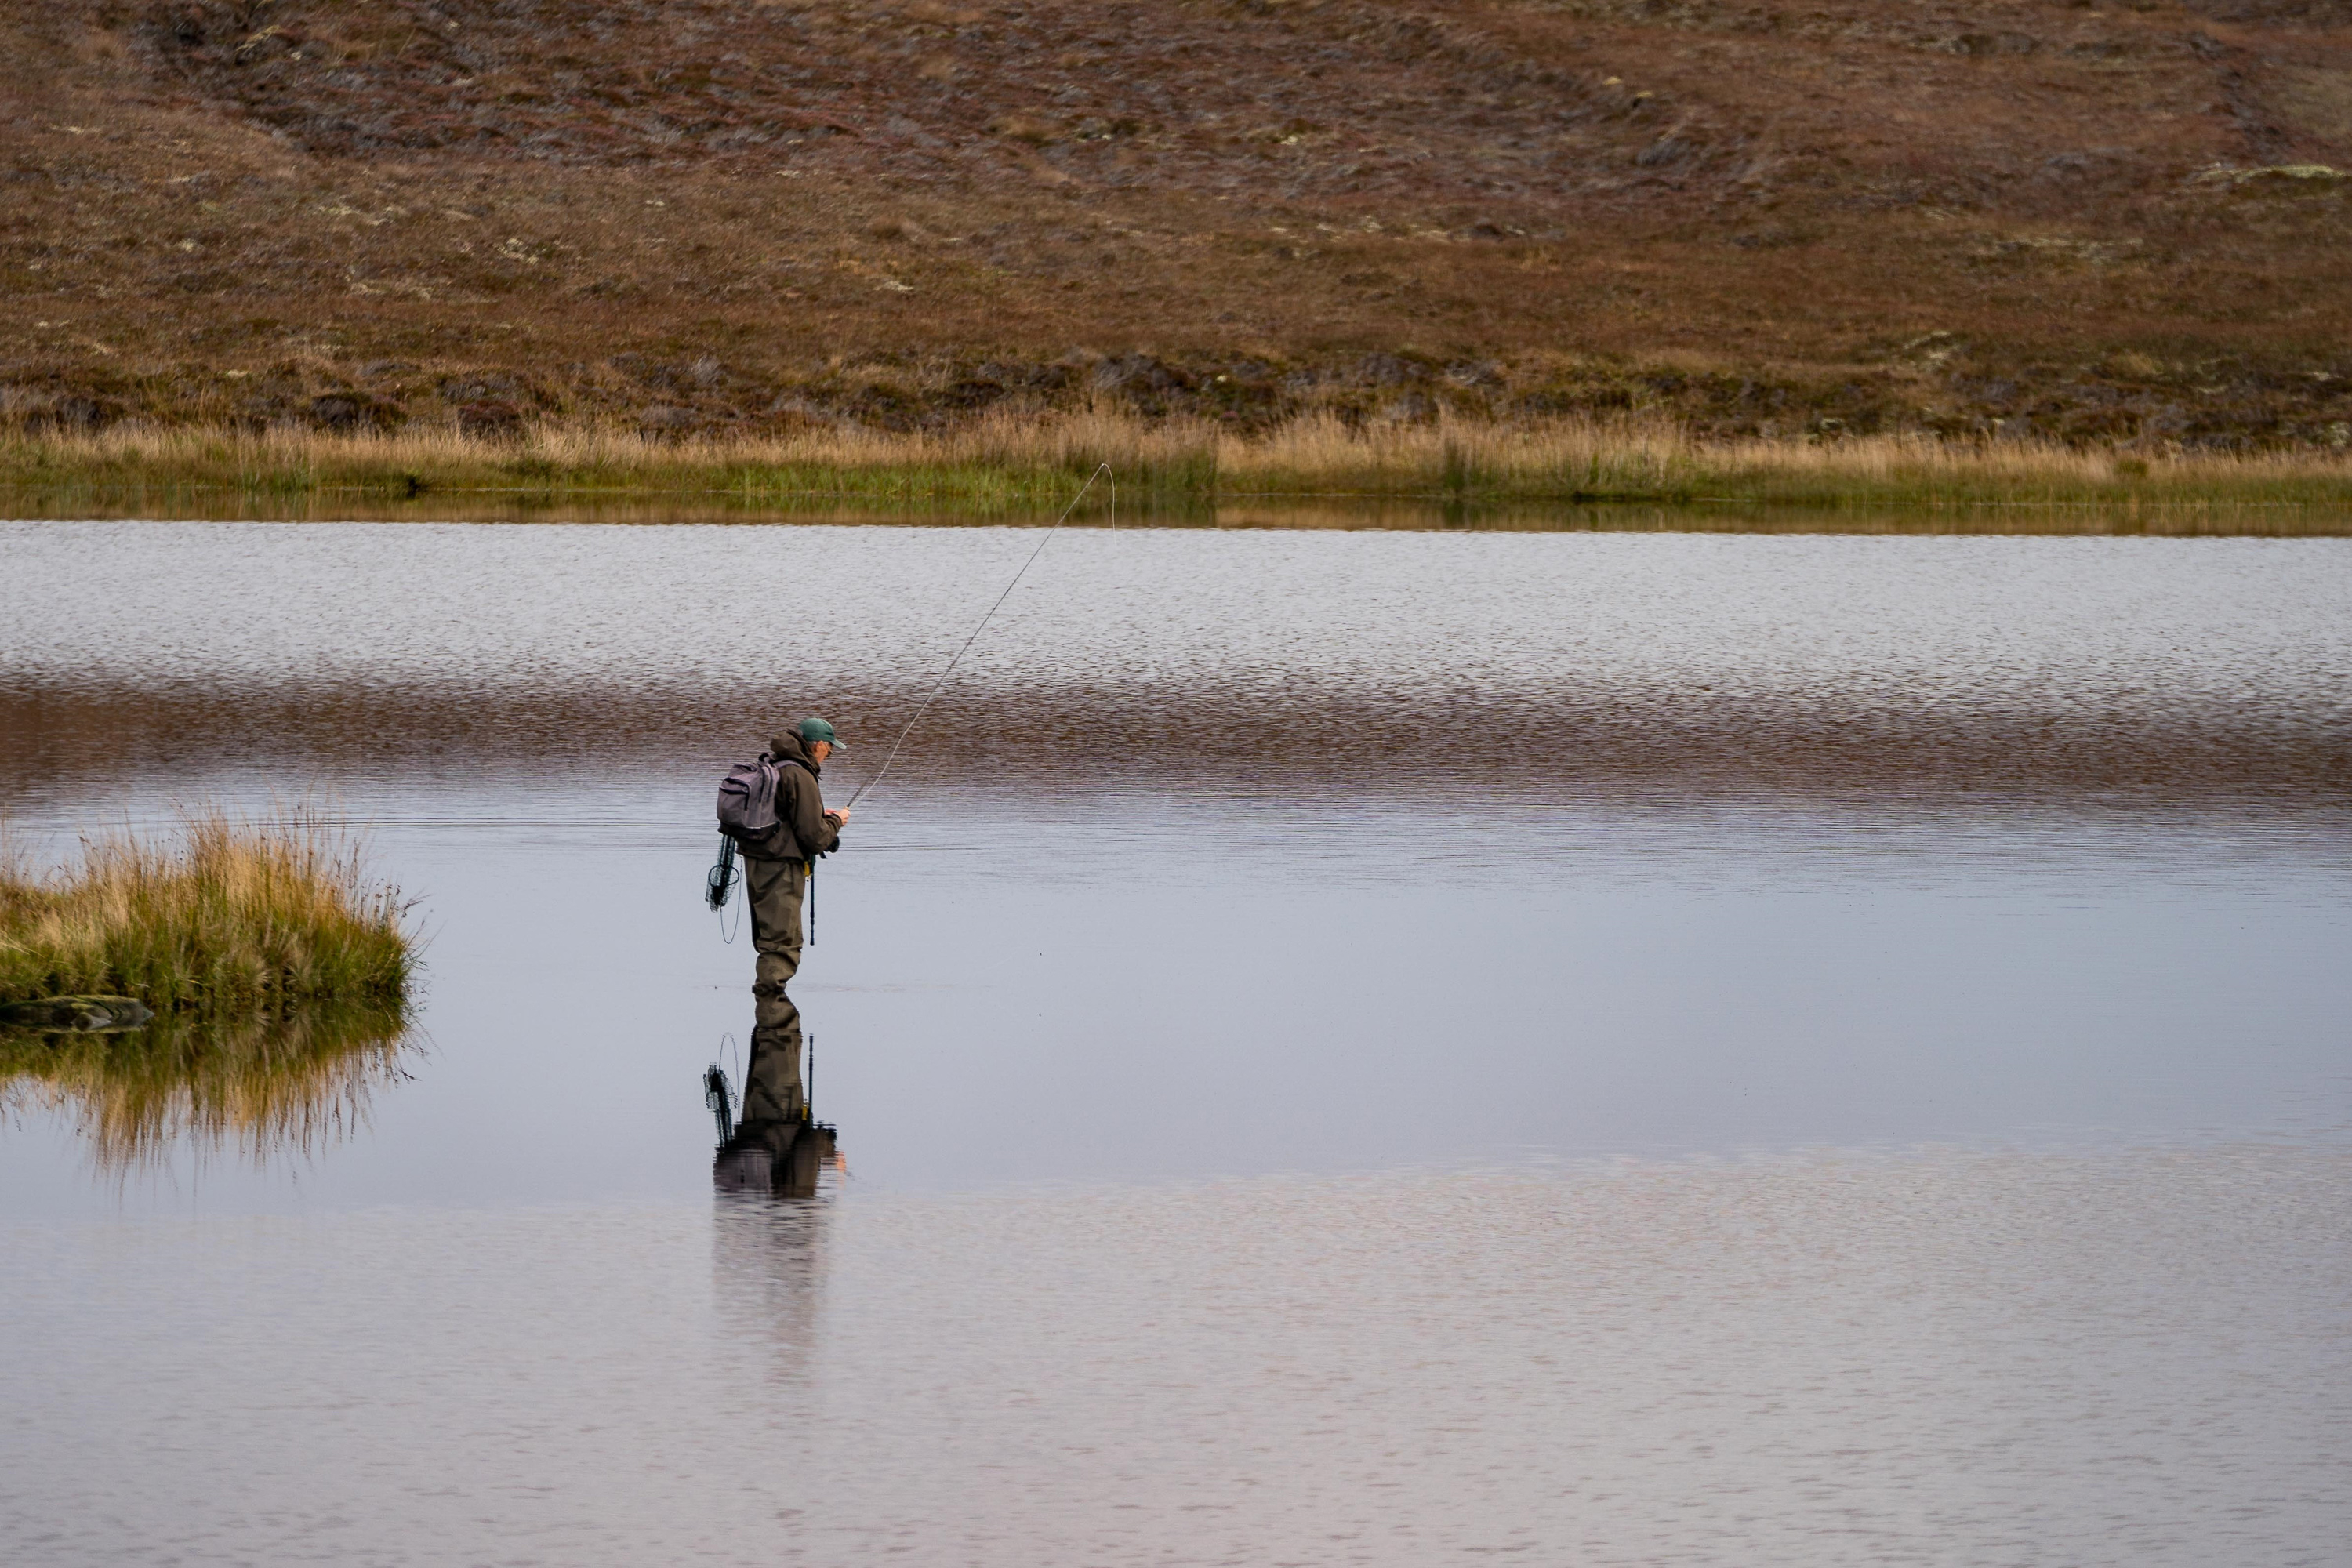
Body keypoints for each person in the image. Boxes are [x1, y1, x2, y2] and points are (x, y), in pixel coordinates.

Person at [739, 717, 850, 995]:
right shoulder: (800, 774)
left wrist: (821, 815)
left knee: (769, 937)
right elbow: (814, 839)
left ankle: (768, 1016)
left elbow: (783, 814)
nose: (831, 752)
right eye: (830, 746)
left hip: (757, 861)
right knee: (782, 942)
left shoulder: (775, 764)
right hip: (781, 867)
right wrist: (837, 822)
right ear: (818, 745)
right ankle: (772, 1011)